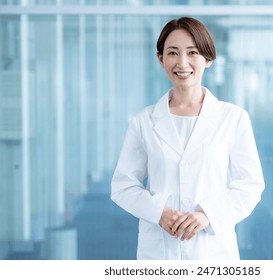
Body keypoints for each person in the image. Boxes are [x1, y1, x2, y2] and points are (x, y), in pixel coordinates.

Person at [111, 17, 264, 260]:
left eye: (192, 52)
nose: (182, 63)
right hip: (159, 251)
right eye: (172, 53)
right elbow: (123, 187)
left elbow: (250, 186)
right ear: (161, 59)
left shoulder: (233, 118)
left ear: (208, 58)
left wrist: (208, 216)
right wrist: (158, 213)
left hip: (213, 252)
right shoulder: (143, 122)